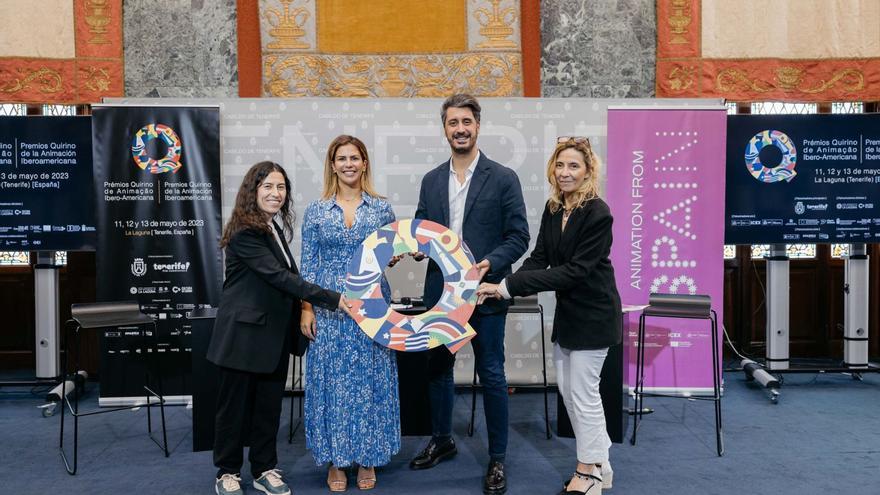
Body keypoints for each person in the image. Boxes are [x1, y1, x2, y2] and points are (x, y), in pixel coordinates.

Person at [476, 137, 622, 495]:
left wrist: (507, 287)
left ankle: (587, 474)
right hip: (569, 316)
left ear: (588, 171)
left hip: (595, 315)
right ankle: (602, 465)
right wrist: (502, 282)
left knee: (584, 395)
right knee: (571, 395)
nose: (565, 173)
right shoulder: (554, 208)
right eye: (560, 165)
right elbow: (540, 258)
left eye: (574, 166)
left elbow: (575, 271)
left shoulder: (598, 213)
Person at [207, 161, 353, 495]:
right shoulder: (245, 231)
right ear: (253, 191)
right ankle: (227, 472)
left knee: (268, 409)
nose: (276, 194)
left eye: (281, 188)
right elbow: (280, 278)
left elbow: (285, 278)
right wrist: (334, 298)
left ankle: (264, 469)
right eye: (268, 187)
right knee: (234, 410)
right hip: (242, 338)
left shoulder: (272, 227)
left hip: (271, 337)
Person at [410, 94, 530, 495]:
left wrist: (489, 264)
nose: (459, 129)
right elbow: (421, 232)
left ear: (478, 125)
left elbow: (519, 237)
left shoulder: (503, 177)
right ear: (444, 129)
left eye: (466, 121)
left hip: (485, 295)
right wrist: (409, 246)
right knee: (438, 370)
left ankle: (497, 458)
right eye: (452, 123)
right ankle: (442, 439)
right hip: (439, 295)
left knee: (492, 373)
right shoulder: (430, 180)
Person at [300, 135, 400, 492]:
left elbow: (388, 255)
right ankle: (337, 460)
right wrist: (306, 309)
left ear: (365, 163)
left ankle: (368, 457)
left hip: (372, 307)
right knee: (332, 384)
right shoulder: (316, 210)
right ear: (332, 165)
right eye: (341, 158)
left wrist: (397, 254)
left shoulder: (381, 209)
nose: (348, 164)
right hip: (329, 311)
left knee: (369, 383)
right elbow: (308, 265)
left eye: (354, 158)